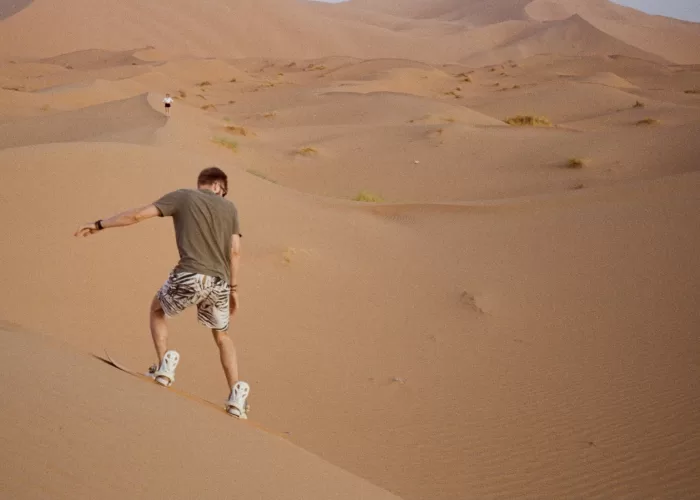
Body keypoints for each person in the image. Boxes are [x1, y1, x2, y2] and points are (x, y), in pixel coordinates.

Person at [74, 167, 250, 419]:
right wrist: (233, 289)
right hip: (220, 283)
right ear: (218, 187)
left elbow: (136, 216)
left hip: (190, 274)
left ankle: (165, 365)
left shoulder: (182, 196)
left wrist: (100, 224)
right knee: (222, 336)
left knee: (157, 309)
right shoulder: (230, 208)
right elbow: (235, 251)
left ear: (205, 184)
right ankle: (236, 394)